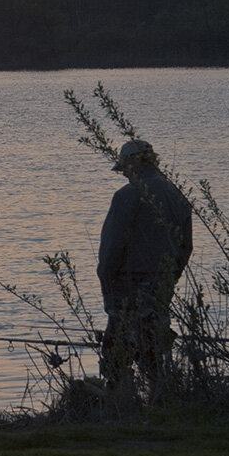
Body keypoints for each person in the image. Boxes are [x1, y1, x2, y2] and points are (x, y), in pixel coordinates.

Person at [97, 139, 193, 391]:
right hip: (161, 286)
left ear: (133, 165)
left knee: (118, 352)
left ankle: (120, 405)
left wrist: (107, 283)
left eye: (125, 168)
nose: (125, 174)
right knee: (154, 348)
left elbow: (111, 249)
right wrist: (169, 279)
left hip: (127, 285)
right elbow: (185, 247)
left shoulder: (127, 196)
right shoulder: (176, 194)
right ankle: (162, 399)